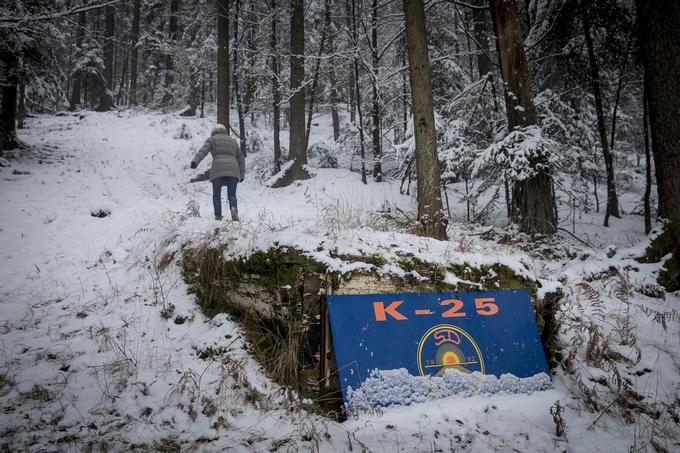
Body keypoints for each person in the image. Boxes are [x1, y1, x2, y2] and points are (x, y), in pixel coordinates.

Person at [190, 124, 245, 221]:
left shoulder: (212, 139)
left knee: (216, 195)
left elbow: (203, 151)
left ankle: (218, 215)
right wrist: (242, 174)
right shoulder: (232, 141)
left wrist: (195, 162)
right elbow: (241, 158)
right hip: (233, 170)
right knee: (232, 194)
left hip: (218, 169)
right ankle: (233, 209)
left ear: (214, 131)